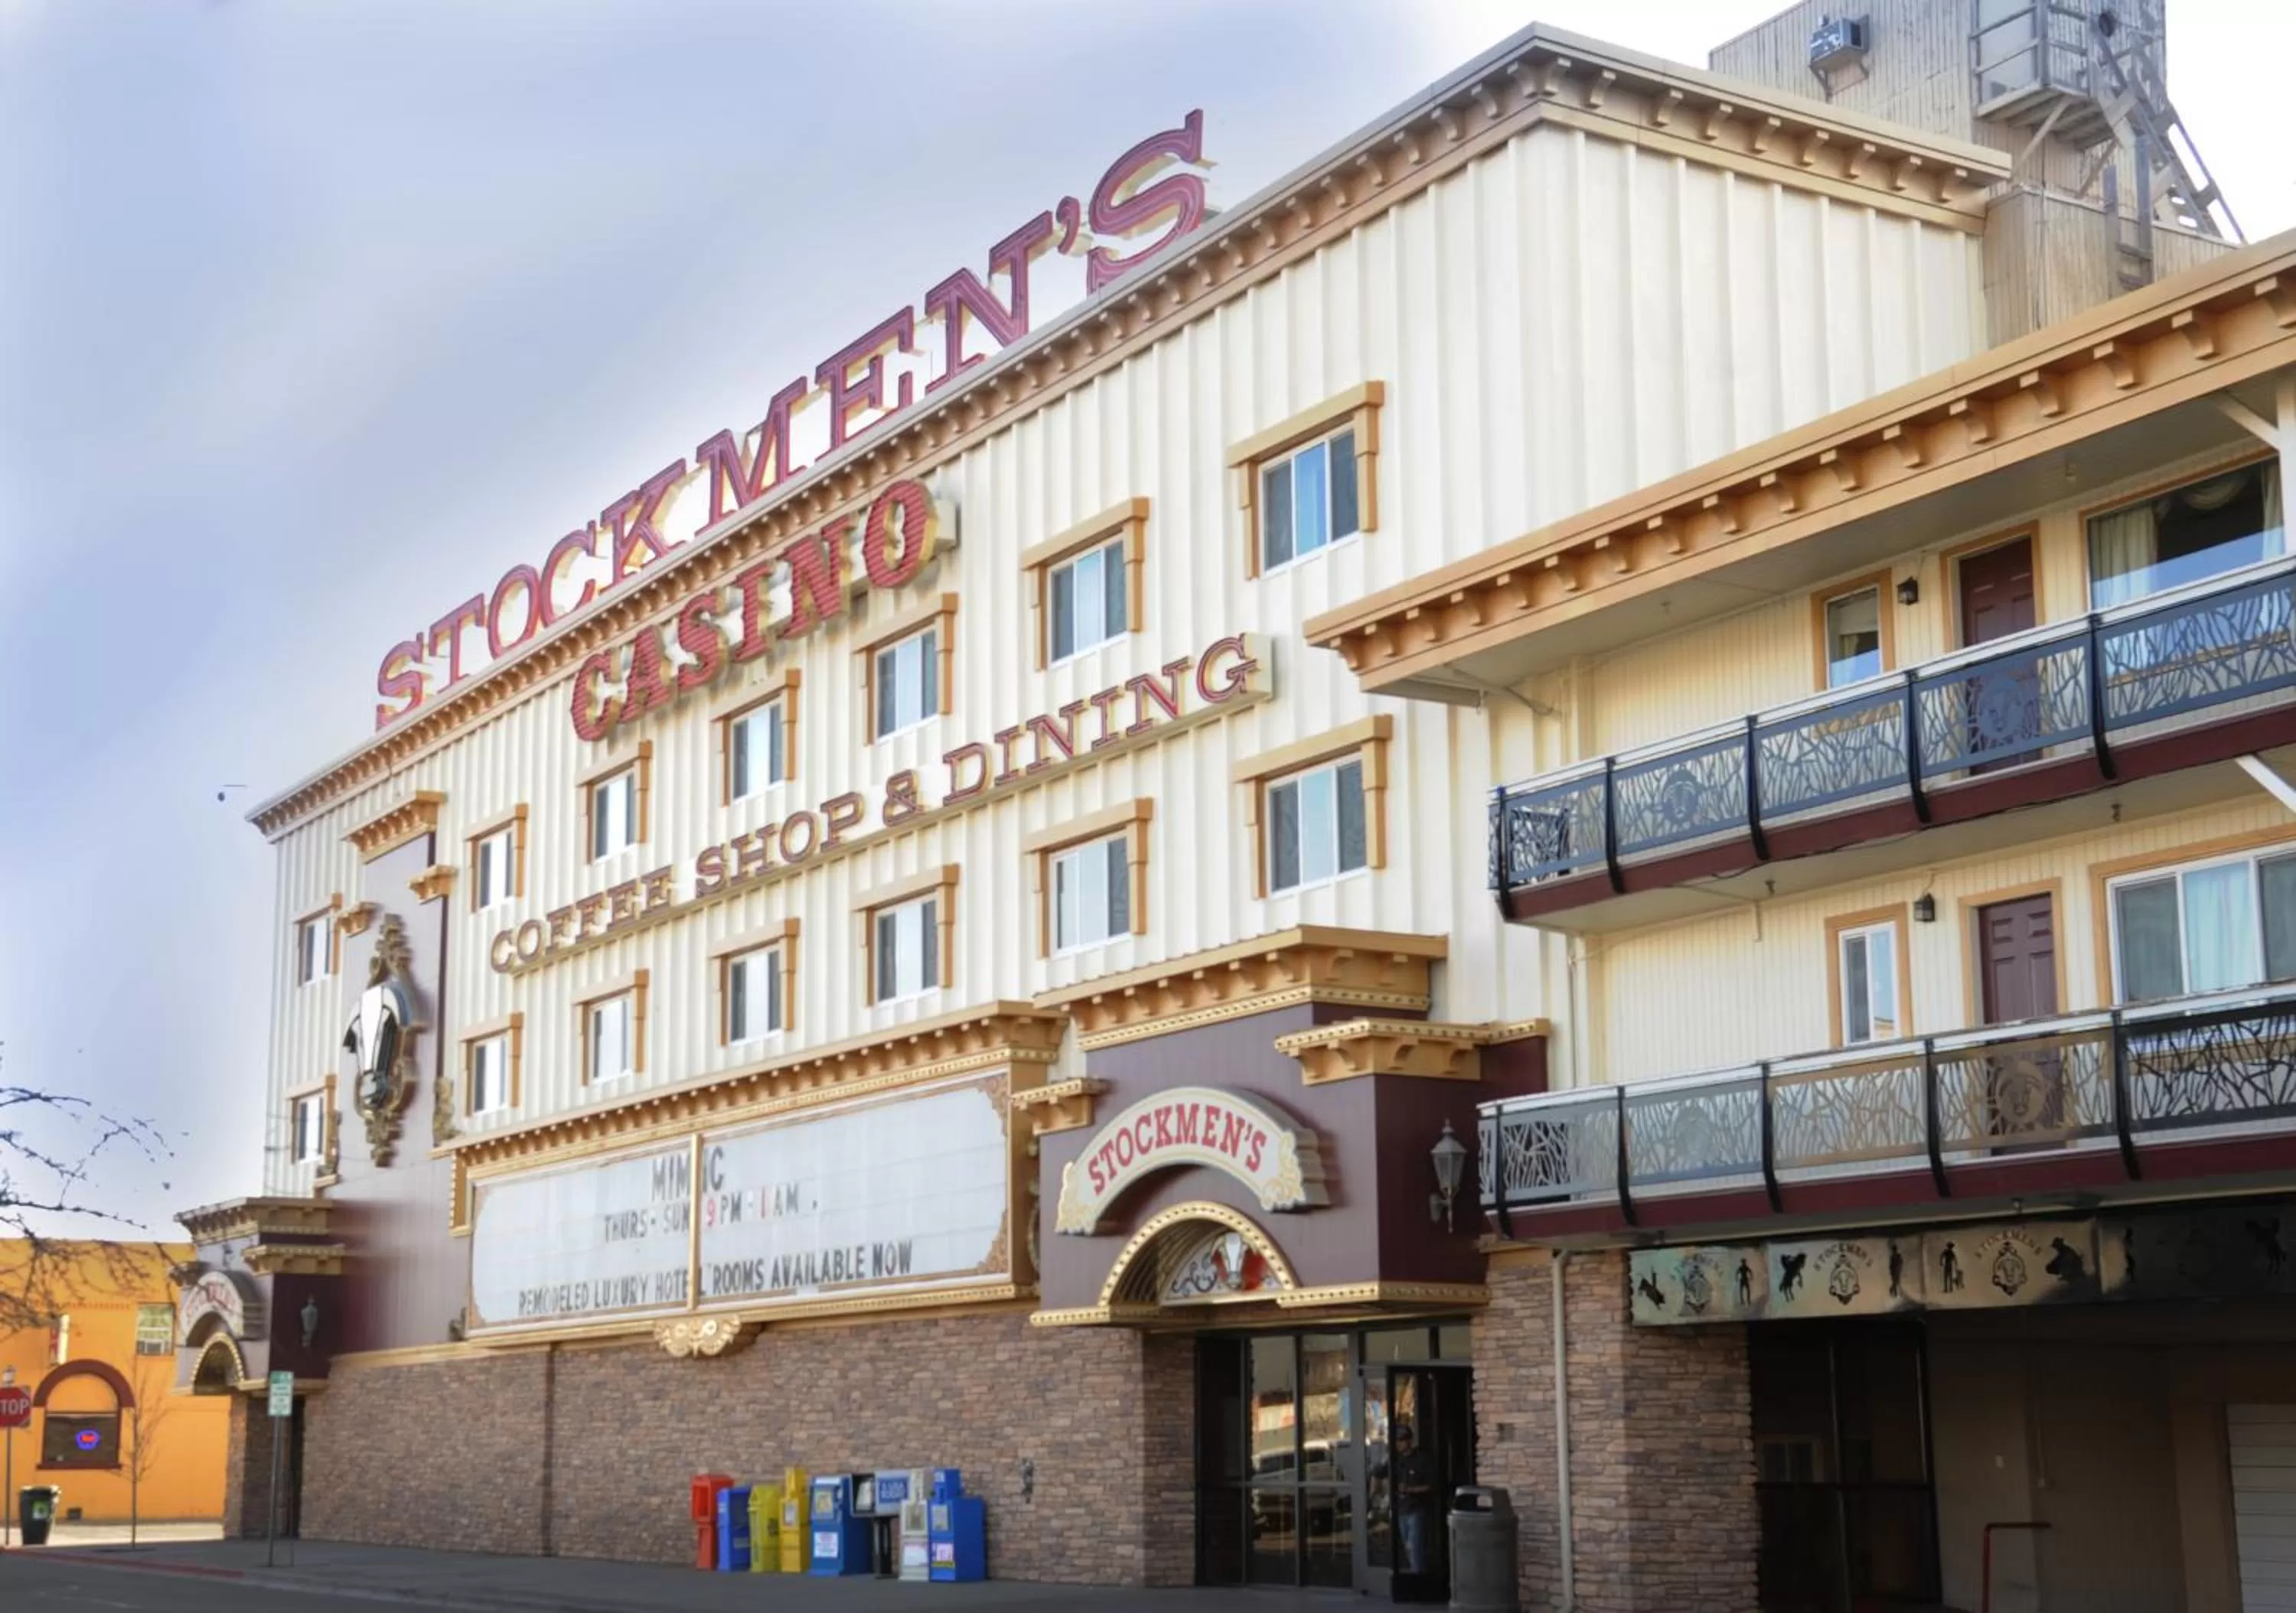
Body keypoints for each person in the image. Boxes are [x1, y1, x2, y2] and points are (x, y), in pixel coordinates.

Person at [1392, 1419, 1437, 1576]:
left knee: (1416, 1546)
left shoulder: (1421, 1459)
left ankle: (1419, 1580)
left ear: (1409, 1441)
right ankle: (1414, 1575)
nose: (1399, 1444)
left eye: (1402, 1440)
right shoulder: (1396, 1461)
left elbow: (1431, 1486)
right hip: (1401, 1510)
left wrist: (1410, 1489)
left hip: (1416, 1509)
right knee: (1407, 1546)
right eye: (1397, 1441)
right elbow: (1379, 1472)